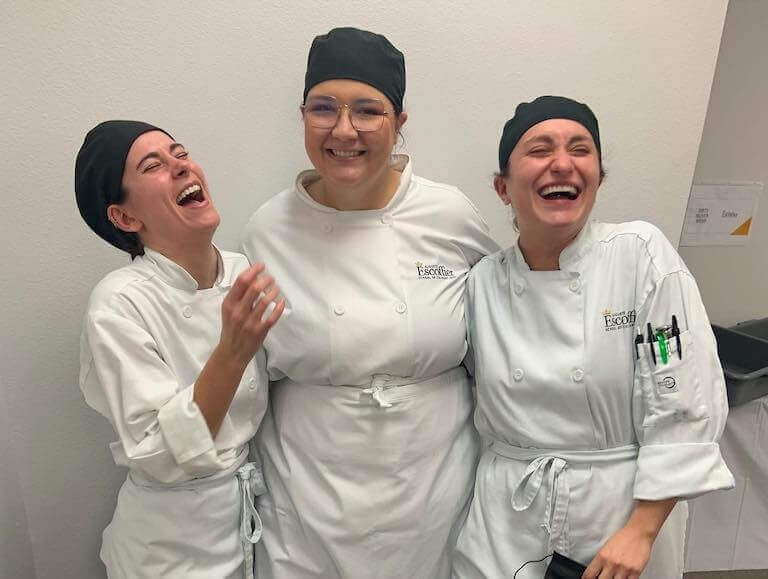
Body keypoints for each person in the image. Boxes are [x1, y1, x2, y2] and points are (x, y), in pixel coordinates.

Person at [241, 27, 499, 579]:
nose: (344, 130)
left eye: (368, 111)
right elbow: (250, 371)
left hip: (432, 488)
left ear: (400, 123)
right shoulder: (268, 230)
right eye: (323, 108)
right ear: (302, 116)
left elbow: (504, 322)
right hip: (307, 495)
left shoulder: (449, 216)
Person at [452, 96, 735, 579]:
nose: (562, 163)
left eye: (580, 149)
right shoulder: (481, 283)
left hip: (621, 513)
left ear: (598, 177)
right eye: (540, 149)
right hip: (507, 514)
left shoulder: (640, 256)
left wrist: (641, 531)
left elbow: (682, 400)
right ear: (502, 187)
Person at [75, 120, 284, 579]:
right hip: (171, 544)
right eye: (154, 165)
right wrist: (231, 351)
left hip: (254, 520)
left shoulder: (241, 270)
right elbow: (162, 453)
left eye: (181, 153)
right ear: (126, 218)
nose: (180, 167)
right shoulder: (120, 303)